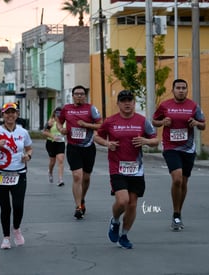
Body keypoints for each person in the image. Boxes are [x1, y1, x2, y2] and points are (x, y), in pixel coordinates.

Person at [95, 90, 159, 249]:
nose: (127, 103)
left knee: (132, 204)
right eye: (123, 100)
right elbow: (97, 136)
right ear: (118, 103)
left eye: (130, 100)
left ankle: (124, 235)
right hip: (117, 167)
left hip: (136, 169)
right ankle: (115, 221)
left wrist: (145, 140)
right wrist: (107, 144)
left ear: (134, 103)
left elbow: (156, 140)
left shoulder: (142, 121)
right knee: (123, 201)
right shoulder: (110, 121)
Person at [152, 79, 206, 231]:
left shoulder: (193, 106)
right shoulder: (165, 105)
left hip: (188, 149)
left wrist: (196, 123)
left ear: (187, 90)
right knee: (177, 179)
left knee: (183, 182)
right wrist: (163, 122)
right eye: (178, 88)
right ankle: (175, 214)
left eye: (184, 88)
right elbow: (154, 121)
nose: (181, 90)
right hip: (170, 147)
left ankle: (178, 212)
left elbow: (203, 125)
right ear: (173, 90)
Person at [0, 102, 33, 249]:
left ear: (17, 114)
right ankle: (6, 237)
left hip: (19, 173)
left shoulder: (23, 132)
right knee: (5, 208)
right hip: (0, 173)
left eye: (13, 112)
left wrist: (28, 156)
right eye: (7, 112)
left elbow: (29, 148)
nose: (10, 115)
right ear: (3, 115)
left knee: (18, 206)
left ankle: (16, 229)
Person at [57, 85, 102, 219]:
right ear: (73, 95)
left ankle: (82, 199)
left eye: (82, 94)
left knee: (86, 178)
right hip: (73, 147)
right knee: (77, 176)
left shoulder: (91, 109)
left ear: (85, 96)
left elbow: (101, 124)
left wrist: (86, 125)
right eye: (77, 94)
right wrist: (61, 129)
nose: (79, 96)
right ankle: (78, 207)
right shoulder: (67, 109)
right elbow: (59, 122)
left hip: (88, 147)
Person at [42, 107, 66, 186]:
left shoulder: (65, 122)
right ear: (54, 114)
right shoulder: (51, 122)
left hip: (61, 143)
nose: (58, 116)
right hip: (51, 143)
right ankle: (50, 172)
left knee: (61, 160)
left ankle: (60, 179)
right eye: (57, 114)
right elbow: (44, 132)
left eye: (60, 114)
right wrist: (53, 136)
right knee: (52, 161)